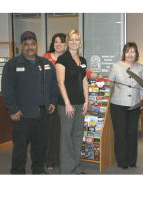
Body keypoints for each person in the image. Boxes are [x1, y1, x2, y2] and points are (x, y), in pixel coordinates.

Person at [1, 31, 59, 174]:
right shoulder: (12, 65)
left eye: (32, 44)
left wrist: (52, 101)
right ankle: (17, 173)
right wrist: (13, 109)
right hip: (22, 115)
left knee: (40, 147)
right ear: (21, 46)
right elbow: (7, 89)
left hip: (42, 114)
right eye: (26, 44)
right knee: (20, 148)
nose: (30, 47)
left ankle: (38, 171)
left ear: (36, 45)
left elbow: (53, 85)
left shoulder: (45, 64)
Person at [108, 42, 143, 169]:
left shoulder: (140, 68)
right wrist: (107, 82)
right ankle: (122, 160)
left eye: (133, 51)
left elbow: (142, 87)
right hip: (118, 105)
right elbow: (110, 84)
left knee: (132, 134)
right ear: (124, 53)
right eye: (128, 51)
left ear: (136, 54)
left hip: (134, 105)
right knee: (120, 133)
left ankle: (131, 160)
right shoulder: (116, 66)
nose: (130, 54)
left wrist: (142, 101)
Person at [55, 30, 89, 174]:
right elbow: (60, 83)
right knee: (66, 137)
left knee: (77, 136)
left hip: (80, 103)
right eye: (72, 40)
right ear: (68, 42)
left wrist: (87, 100)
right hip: (66, 105)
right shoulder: (62, 59)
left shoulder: (83, 60)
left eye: (77, 39)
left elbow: (84, 80)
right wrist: (67, 103)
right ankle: (67, 169)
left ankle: (77, 166)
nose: (74, 42)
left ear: (80, 42)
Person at [42, 33, 66, 171]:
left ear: (65, 44)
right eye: (56, 41)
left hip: (64, 98)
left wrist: (94, 75)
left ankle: (58, 158)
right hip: (49, 99)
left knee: (61, 131)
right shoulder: (45, 58)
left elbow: (82, 71)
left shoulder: (67, 58)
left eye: (61, 42)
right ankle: (49, 160)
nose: (58, 44)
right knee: (49, 131)